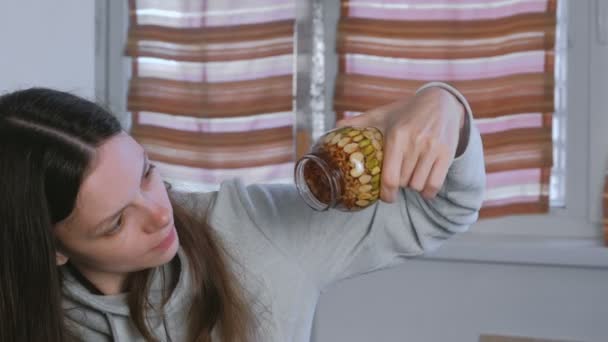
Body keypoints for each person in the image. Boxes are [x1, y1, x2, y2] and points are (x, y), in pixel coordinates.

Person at [0, 82, 485, 342]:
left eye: (147, 174)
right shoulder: (27, 317)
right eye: (116, 222)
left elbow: (441, 211)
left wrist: (445, 106)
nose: (160, 215)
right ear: (54, 248)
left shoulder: (249, 231)